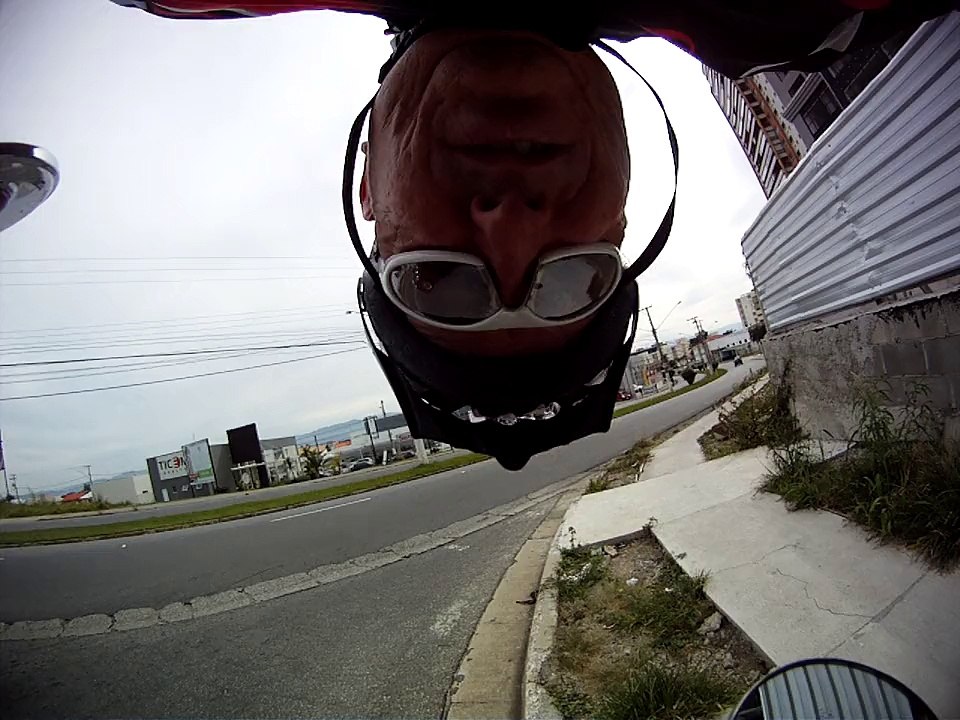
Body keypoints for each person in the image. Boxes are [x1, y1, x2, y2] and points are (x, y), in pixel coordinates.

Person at [112, 1, 954, 469]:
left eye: (439, 279)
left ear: (366, 184)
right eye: (574, 278)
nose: (511, 227)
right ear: (625, 211)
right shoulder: (800, 14)